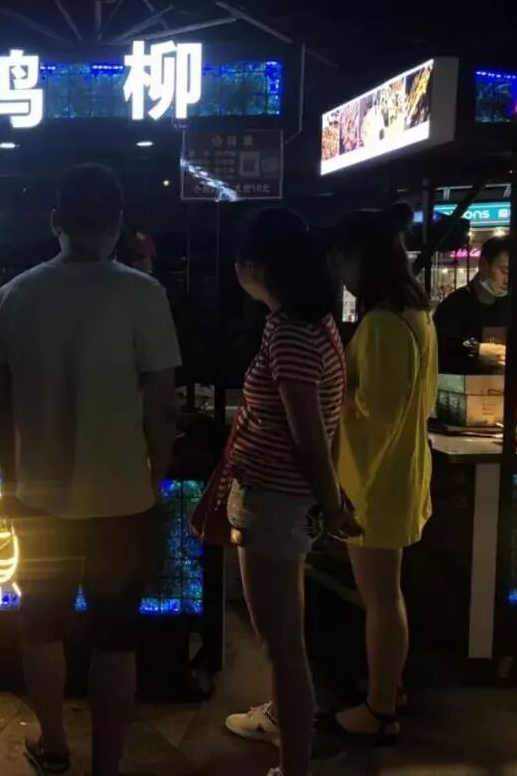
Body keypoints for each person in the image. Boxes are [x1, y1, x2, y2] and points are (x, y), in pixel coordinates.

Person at [0, 164, 181, 776]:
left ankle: (53, 745)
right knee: (116, 639)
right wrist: (153, 478)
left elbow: (0, 407)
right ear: (117, 224)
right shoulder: (143, 294)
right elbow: (163, 406)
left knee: (41, 626)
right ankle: (107, 766)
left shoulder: (16, 294)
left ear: (55, 223)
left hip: (37, 497)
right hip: (123, 497)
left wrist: (9, 483)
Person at [222, 209, 361, 776]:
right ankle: (284, 722)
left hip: (275, 504)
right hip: (286, 500)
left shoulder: (289, 333)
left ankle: (293, 764)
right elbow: (329, 422)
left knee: (282, 646)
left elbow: (308, 435)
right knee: (284, 637)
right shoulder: (316, 323)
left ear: (258, 266)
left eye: (240, 260)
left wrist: (332, 505)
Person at [321, 206, 438, 744]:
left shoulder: (382, 324)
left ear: (361, 258)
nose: (339, 270)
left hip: (375, 484)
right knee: (387, 595)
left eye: (342, 258)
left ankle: (379, 709)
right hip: (400, 476)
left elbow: (378, 413)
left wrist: (337, 393)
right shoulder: (416, 315)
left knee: (382, 599)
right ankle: (390, 687)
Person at [433, 236, 517, 374]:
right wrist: (475, 351)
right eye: (505, 272)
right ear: (484, 265)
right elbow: (438, 347)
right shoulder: (455, 304)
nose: (509, 281)